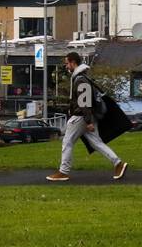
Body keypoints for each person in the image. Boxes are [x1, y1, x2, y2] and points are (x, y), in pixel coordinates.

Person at [48, 51, 129, 182]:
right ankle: (118, 163)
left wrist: (88, 121)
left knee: (67, 142)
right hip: (86, 117)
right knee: (96, 143)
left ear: (73, 63)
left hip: (80, 117)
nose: (66, 66)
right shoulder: (83, 78)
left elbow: (84, 103)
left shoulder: (80, 80)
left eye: (67, 63)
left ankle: (63, 171)